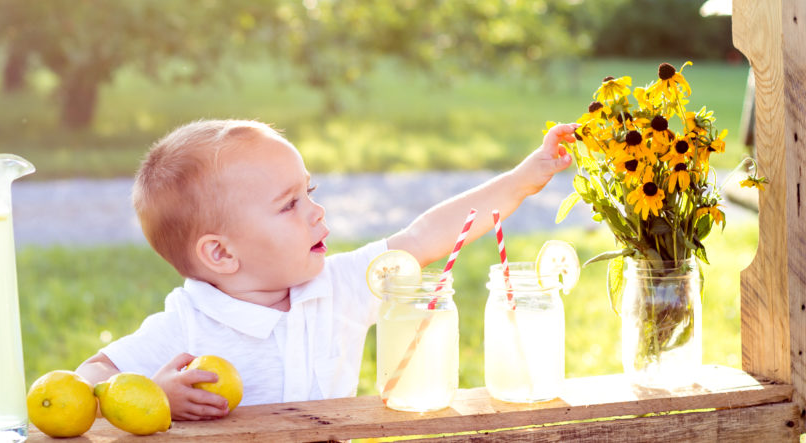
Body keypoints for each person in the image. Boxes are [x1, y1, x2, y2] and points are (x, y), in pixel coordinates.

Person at [76, 118, 578, 420]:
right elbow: (89, 379)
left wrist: (525, 176)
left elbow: (426, 236)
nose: (316, 212)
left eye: (308, 192)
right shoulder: (186, 323)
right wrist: (156, 396)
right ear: (222, 255)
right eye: (288, 204)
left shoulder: (340, 285)